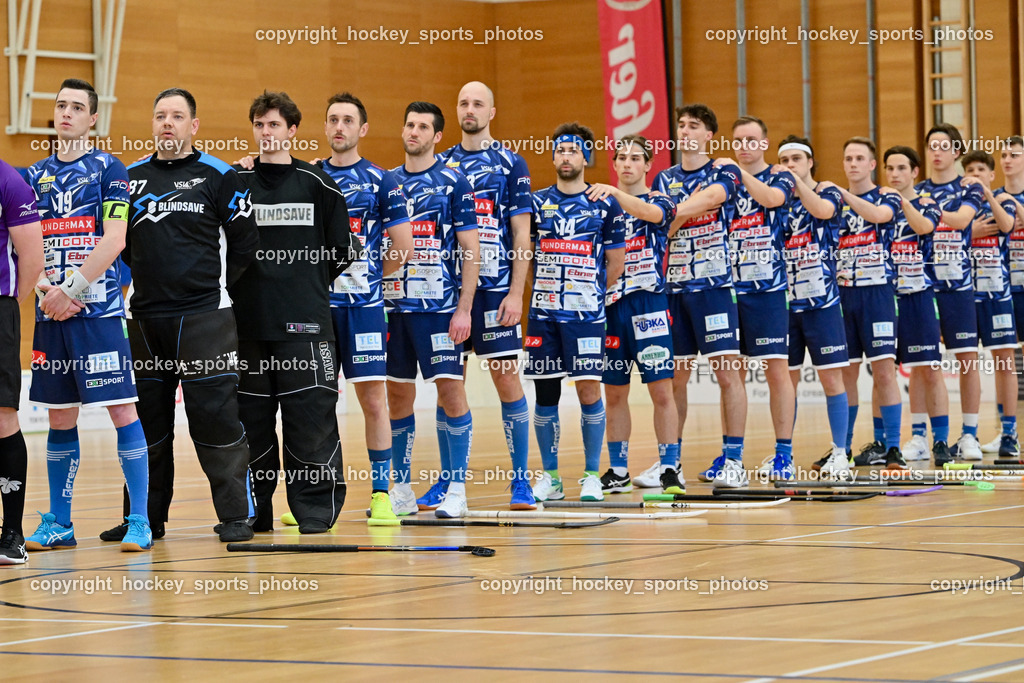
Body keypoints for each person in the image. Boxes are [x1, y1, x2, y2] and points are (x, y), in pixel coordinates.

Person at [103, 87, 259, 542]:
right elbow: (120, 248)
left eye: (176, 116)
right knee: (146, 426)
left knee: (215, 419)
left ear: (194, 126)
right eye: (159, 116)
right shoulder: (128, 178)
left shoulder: (220, 175)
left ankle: (235, 515)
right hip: (145, 321)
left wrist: (222, 292)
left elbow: (246, 243)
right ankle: (143, 520)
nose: (166, 123)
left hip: (205, 320)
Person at [23, 79, 152, 552]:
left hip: (97, 313)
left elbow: (115, 239)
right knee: (59, 418)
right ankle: (60, 521)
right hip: (50, 314)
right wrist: (44, 291)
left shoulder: (109, 170)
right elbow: (25, 246)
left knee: (121, 410)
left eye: (77, 107)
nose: (67, 113)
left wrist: (72, 289)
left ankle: (138, 519)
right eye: (61, 105)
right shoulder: (33, 176)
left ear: (93, 118)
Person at [231, 91, 354, 533]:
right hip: (246, 328)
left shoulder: (318, 184)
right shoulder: (235, 183)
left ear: (293, 131)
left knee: (310, 423)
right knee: (252, 425)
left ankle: (316, 510)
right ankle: (254, 510)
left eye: (275, 125)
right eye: (260, 125)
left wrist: (301, 285)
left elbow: (342, 252)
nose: (267, 133)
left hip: (306, 328)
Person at [435, 81, 534, 510]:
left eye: (477, 103)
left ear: (492, 112)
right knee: (447, 385)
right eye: (463, 103)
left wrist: (516, 293)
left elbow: (522, 233)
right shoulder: (440, 163)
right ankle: (448, 482)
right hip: (449, 293)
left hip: (495, 293)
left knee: (506, 378)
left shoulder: (511, 163)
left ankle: (520, 481)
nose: (469, 109)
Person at [317, 93, 412, 524]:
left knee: (374, 401)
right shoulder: (309, 176)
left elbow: (403, 245)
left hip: (364, 310)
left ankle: (381, 494)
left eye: (348, 120)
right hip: (315, 312)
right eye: (333, 119)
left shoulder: (382, 181)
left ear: (363, 129)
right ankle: (314, 496)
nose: (340, 127)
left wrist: (370, 277)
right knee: (314, 404)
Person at [386, 101, 479, 518]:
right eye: (410, 125)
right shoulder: (385, 182)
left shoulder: (454, 182)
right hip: (393, 309)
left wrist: (464, 309)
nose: (414, 132)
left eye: (423, 127)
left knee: (451, 392)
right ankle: (401, 487)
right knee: (397, 396)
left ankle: (456, 487)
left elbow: (471, 250)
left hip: (440, 310)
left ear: (437, 136)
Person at [649, 104, 748, 489]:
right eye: (682, 125)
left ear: (709, 135)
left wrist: (669, 213)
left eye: (694, 126)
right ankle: (671, 464)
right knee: (674, 378)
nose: (686, 131)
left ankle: (734, 459)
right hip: (673, 291)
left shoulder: (723, 170)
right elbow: (658, 227)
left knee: (728, 375)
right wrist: (666, 216)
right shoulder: (664, 176)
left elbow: (709, 200)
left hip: (713, 288)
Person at [527, 122, 625, 502]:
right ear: (553, 158)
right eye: (560, 150)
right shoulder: (536, 202)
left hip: (586, 317)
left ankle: (590, 475)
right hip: (544, 316)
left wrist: (588, 293)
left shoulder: (605, 203)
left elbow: (615, 264)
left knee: (588, 390)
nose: (566, 156)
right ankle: (550, 477)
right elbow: (528, 254)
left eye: (574, 150)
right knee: (545, 394)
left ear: (586, 157)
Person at [585, 135, 678, 493]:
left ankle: (670, 466)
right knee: (615, 393)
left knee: (661, 391)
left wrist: (612, 192)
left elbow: (649, 214)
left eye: (635, 158)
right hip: (611, 306)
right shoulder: (601, 204)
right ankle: (619, 469)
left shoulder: (661, 200)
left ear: (647, 165)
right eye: (620, 157)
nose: (626, 163)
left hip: (649, 304)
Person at [724, 117, 797, 476]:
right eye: (738, 140)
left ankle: (784, 454)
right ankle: (731, 456)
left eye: (752, 140)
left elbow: (771, 200)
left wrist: (737, 175)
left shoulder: (781, 175)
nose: (744, 146)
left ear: (765, 144)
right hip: (726, 290)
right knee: (730, 373)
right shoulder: (722, 180)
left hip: (767, 289)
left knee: (775, 371)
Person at [775, 135, 851, 477]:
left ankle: (840, 453)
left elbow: (822, 211)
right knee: (784, 382)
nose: (790, 165)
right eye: (785, 160)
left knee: (832, 380)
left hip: (822, 303)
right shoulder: (775, 200)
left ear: (810, 163)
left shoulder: (829, 191)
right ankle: (784, 455)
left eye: (796, 159)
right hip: (784, 304)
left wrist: (793, 183)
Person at [830, 137, 905, 469]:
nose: (853, 164)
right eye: (848, 158)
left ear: (872, 165)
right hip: (843, 293)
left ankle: (892, 448)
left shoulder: (887, 195)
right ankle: (841, 450)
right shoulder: (831, 204)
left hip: (877, 293)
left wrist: (840, 193)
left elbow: (878, 215)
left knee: (885, 372)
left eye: (860, 158)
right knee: (846, 373)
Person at [915, 124, 985, 460]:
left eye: (944, 146)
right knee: (920, 361)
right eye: (932, 146)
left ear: (956, 152)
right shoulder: (917, 190)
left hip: (957, 286)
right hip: (922, 288)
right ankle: (918, 435)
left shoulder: (969, 188)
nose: (937, 152)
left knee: (967, 359)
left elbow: (959, 221)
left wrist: (926, 208)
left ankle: (969, 434)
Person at [882, 145, 951, 465]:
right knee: (886, 371)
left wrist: (901, 202)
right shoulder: (877, 206)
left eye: (900, 168)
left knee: (929, 369)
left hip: (919, 295)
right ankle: (903, 439)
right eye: (889, 168)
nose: (894, 174)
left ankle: (939, 441)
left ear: (914, 173)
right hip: (885, 297)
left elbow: (925, 227)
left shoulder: (927, 203)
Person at [961, 150, 1019, 457]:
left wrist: (987, 195)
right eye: (970, 170)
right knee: (967, 362)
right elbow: (943, 237)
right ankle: (968, 434)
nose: (976, 173)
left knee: (1004, 363)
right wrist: (973, 231)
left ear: (991, 175)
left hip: (997, 294)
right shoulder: (960, 207)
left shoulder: (1004, 200)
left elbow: (1008, 225)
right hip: (966, 295)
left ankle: (1009, 433)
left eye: (981, 169)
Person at [0, 159, 43, 564]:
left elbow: (32, 257)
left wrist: (9, 309)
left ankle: (11, 533)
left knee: (1, 418)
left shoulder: (8, 180)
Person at [983, 136, 1024, 453]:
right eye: (1004, 155)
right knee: (1003, 361)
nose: (1008, 159)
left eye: (1014, 155)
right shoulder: (992, 199)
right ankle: (1007, 432)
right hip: (1002, 288)